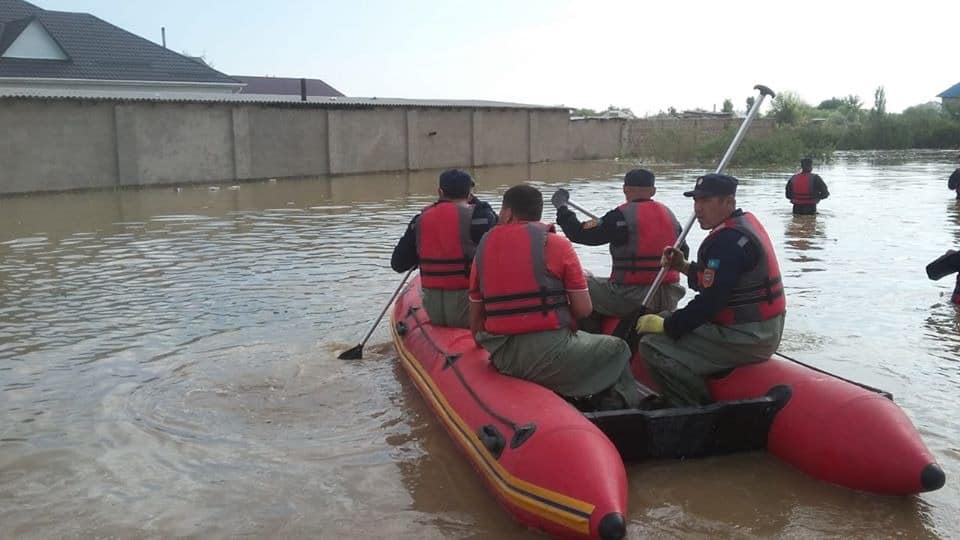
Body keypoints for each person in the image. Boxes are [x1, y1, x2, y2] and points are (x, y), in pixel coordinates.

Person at [469, 184, 643, 410]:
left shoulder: (483, 249)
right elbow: (583, 310)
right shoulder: (558, 245)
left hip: (503, 355)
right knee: (618, 348)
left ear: (508, 213)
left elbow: (475, 318)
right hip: (548, 353)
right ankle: (623, 407)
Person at [633, 174, 787, 406]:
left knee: (652, 345)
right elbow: (717, 282)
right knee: (665, 321)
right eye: (696, 202)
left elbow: (711, 301)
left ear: (729, 203)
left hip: (748, 336)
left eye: (706, 201)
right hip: (755, 329)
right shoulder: (739, 227)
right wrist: (683, 266)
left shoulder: (728, 242)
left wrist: (668, 325)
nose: (698, 209)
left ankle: (690, 407)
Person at [553, 168, 686, 318]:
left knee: (578, 283)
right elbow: (684, 253)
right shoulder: (671, 217)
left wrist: (561, 207)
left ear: (625, 189)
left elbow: (579, 233)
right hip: (670, 296)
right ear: (653, 191)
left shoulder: (619, 217)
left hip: (632, 297)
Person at [391, 169, 497, 328]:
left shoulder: (419, 221)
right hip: (469, 307)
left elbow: (398, 264)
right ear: (470, 193)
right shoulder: (481, 218)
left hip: (434, 310)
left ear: (440, 192)